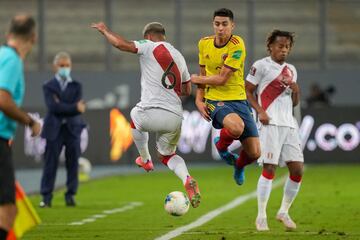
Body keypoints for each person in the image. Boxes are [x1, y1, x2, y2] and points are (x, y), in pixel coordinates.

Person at [91, 22, 201, 208]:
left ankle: (145, 159)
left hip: (151, 111)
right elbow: (187, 89)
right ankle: (186, 178)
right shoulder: (179, 56)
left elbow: (121, 44)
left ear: (148, 36)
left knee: (134, 115)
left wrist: (105, 31)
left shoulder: (148, 46)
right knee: (167, 155)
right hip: (175, 116)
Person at [191, 8, 260, 185]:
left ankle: (238, 165)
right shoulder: (204, 43)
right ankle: (222, 147)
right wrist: (199, 99)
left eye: (224, 24)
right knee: (236, 128)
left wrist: (195, 79)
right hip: (215, 99)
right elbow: (203, 72)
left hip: (239, 99)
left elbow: (221, 79)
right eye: (217, 24)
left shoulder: (237, 44)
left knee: (254, 153)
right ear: (213, 24)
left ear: (232, 25)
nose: (220, 28)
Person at [245, 30, 304, 231]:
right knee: (269, 168)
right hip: (269, 124)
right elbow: (247, 91)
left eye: (287, 46)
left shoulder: (292, 70)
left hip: (289, 125)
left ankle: (283, 211)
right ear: (270, 46)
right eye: (280, 46)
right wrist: (260, 111)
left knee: (297, 169)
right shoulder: (260, 66)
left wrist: (296, 89)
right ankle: (261, 216)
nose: (284, 50)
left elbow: (295, 102)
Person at [0, 14, 41, 240]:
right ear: (33, 38)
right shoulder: (12, 58)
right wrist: (30, 121)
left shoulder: (2, 54)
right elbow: (3, 99)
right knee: (8, 210)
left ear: (9, 34)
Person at [39, 52, 86, 208]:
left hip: (72, 129)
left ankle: (70, 195)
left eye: (67, 65)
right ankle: (46, 197)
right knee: (49, 163)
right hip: (54, 129)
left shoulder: (77, 85)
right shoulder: (48, 85)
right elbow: (53, 107)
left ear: (71, 66)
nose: (65, 68)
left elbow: (66, 108)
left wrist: (62, 105)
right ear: (55, 67)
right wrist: (73, 107)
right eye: (62, 65)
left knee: (73, 164)